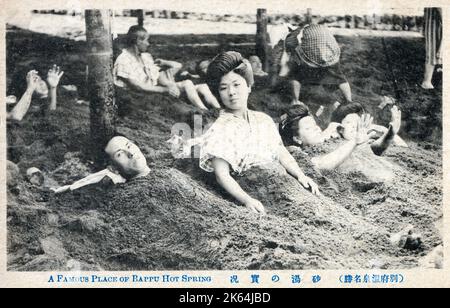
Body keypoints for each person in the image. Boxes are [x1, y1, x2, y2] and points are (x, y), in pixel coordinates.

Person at [200, 51, 319, 214]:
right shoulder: (221, 128)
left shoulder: (263, 120)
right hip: (251, 192)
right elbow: (222, 175)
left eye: (237, 84)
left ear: (248, 86)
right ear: (218, 93)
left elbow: (280, 151)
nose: (231, 92)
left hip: (282, 186)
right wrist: (247, 200)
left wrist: (300, 175)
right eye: (223, 88)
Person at [280, 102, 403, 182]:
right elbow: (320, 165)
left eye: (315, 125)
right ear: (297, 138)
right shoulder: (297, 153)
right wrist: (354, 141)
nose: (317, 128)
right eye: (309, 128)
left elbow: (373, 150)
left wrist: (391, 133)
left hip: (390, 176)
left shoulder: (331, 140)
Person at [113, 25, 210, 110]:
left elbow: (157, 75)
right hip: (141, 98)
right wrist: (165, 89)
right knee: (187, 85)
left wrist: (169, 85)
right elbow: (138, 87)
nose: (148, 44)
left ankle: (211, 110)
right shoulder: (124, 61)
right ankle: (204, 111)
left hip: (155, 90)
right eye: (147, 41)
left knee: (195, 85)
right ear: (138, 41)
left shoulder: (145, 57)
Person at [281, 24, 352, 105]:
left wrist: (294, 63)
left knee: (295, 74)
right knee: (339, 77)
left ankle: (295, 101)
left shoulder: (291, 36)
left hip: (314, 50)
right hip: (329, 50)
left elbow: (291, 52)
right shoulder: (317, 27)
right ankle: (349, 101)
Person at [52, 136, 149, 193]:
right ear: (114, 169)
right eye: (119, 154)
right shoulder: (126, 195)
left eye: (129, 146)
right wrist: (70, 188)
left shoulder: (162, 171)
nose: (130, 153)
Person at [421, 7, 442, 90]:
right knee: (432, 48)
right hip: (433, 20)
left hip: (436, 19)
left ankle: (429, 80)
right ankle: (427, 81)